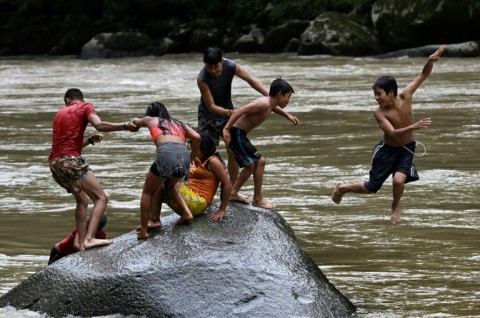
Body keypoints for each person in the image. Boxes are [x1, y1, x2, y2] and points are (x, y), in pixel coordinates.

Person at [331, 45, 447, 224]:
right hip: (387, 150)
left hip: (407, 148)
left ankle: (395, 206)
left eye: (379, 94)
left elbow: (423, 75)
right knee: (372, 187)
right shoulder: (379, 112)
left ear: (391, 92)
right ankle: (343, 188)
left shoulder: (406, 95)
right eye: (375, 95)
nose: (376, 98)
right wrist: (413, 127)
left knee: (399, 181)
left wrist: (429, 61)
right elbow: (391, 132)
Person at [197, 46, 299, 203]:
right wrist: (230, 116)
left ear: (222, 61)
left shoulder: (230, 66)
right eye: (208, 66)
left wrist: (269, 97)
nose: (212, 70)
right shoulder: (202, 79)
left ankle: (231, 190)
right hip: (209, 116)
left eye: (216, 66)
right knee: (205, 154)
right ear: (204, 63)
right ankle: (200, 188)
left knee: (232, 153)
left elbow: (250, 80)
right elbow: (211, 106)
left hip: (229, 113)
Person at [48, 88, 137, 250]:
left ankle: (82, 243)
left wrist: (89, 140)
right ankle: (89, 238)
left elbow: (67, 147)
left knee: (82, 200)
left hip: (55, 163)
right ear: (77, 99)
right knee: (101, 198)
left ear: (67, 100)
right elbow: (100, 125)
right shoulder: (85, 107)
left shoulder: (59, 114)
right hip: (70, 161)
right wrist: (125, 126)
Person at [222, 78, 298, 209]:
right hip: (236, 133)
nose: (288, 101)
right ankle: (239, 195)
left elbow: (275, 109)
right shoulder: (263, 103)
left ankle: (252, 196)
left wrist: (288, 116)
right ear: (280, 95)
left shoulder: (270, 104)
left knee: (259, 162)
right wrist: (227, 129)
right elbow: (240, 111)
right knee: (252, 164)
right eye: (288, 97)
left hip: (240, 134)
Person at [132, 102, 201, 240]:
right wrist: (193, 156)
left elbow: (136, 122)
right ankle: (187, 213)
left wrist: (133, 123)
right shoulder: (179, 123)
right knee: (170, 187)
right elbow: (197, 137)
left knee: (147, 192)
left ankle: (144, 231)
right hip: (183, 156)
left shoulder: (150, 119)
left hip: (166, 154)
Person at [140, 132, 232, 230]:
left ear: (204, 148)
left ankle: (186, 213)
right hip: (189, 199)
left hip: (199, 201)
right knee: (157, 183)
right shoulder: (198, 161)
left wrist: (222, 210)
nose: (193, 152)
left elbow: (227, 184)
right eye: (192, 149)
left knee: (168, 184)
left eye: (195, 149)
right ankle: (154, 219)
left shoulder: (213, 161)